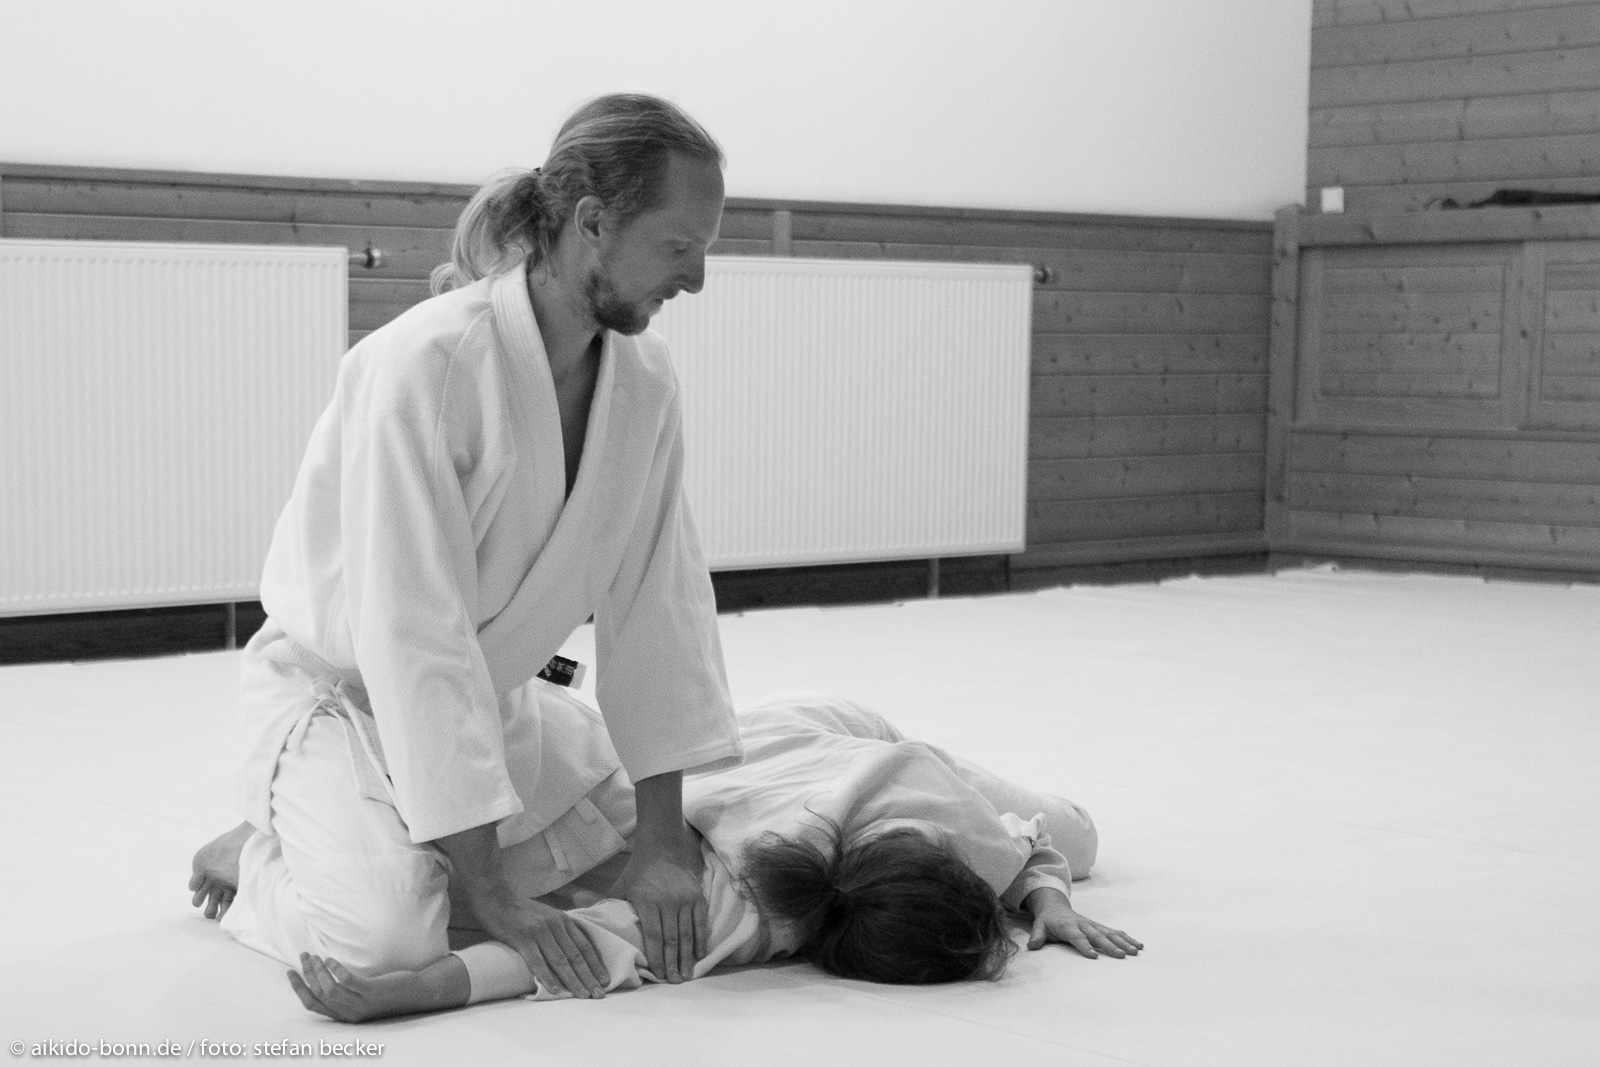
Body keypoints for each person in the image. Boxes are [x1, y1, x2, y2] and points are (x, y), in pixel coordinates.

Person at [188, 93, 745, 1000]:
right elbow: (414, 632)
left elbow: (661, 601)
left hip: (487, 698)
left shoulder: (645, 379)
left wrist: (659, 839)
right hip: (347, 699)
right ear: (592, 222)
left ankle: (379, 838)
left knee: (675, 864)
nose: (697, 279)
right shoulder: (423, 366)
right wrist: (491, 894)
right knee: (390, 945)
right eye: (679, 246)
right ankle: (264, 853)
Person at [263, 691, 1143, 1022]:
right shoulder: (763, 901)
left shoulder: (955, 830)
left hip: (818, 738)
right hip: (797, 744)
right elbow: (592, 949)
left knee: (1078, 841)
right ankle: (293, 806)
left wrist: (1048, 899)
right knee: (1075, 834)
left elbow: (1029, 845)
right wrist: (414, 989)